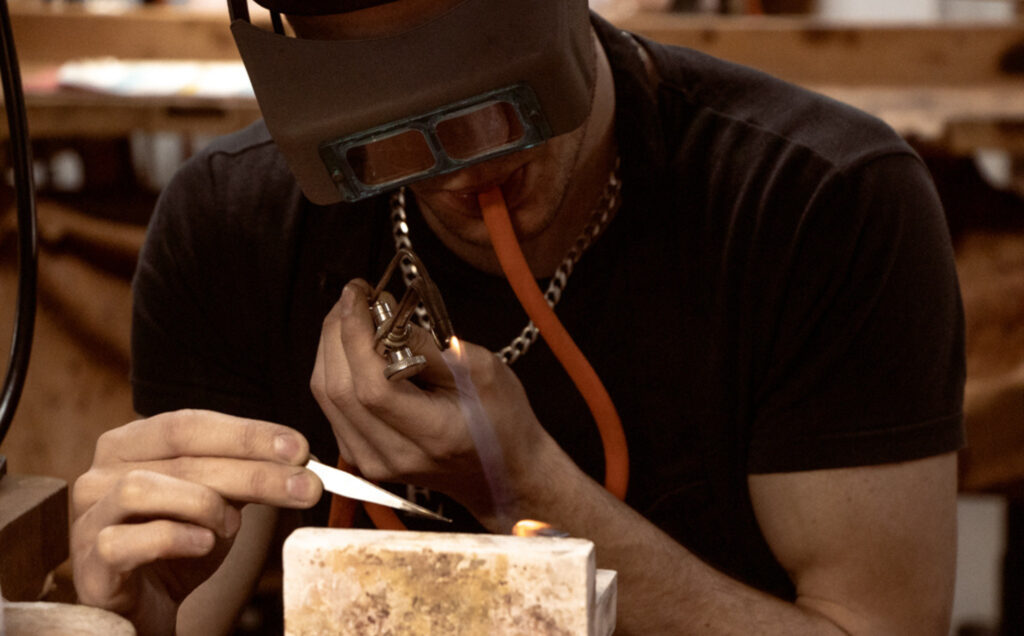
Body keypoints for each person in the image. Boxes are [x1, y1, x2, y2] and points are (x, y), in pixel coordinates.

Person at [70, 0, 966, 634]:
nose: (460, 164)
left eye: (494, 99)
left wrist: (529, 489)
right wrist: (131, 620)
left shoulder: (820, 204)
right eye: (390, 120)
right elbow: (184, 604)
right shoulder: (231, 223)